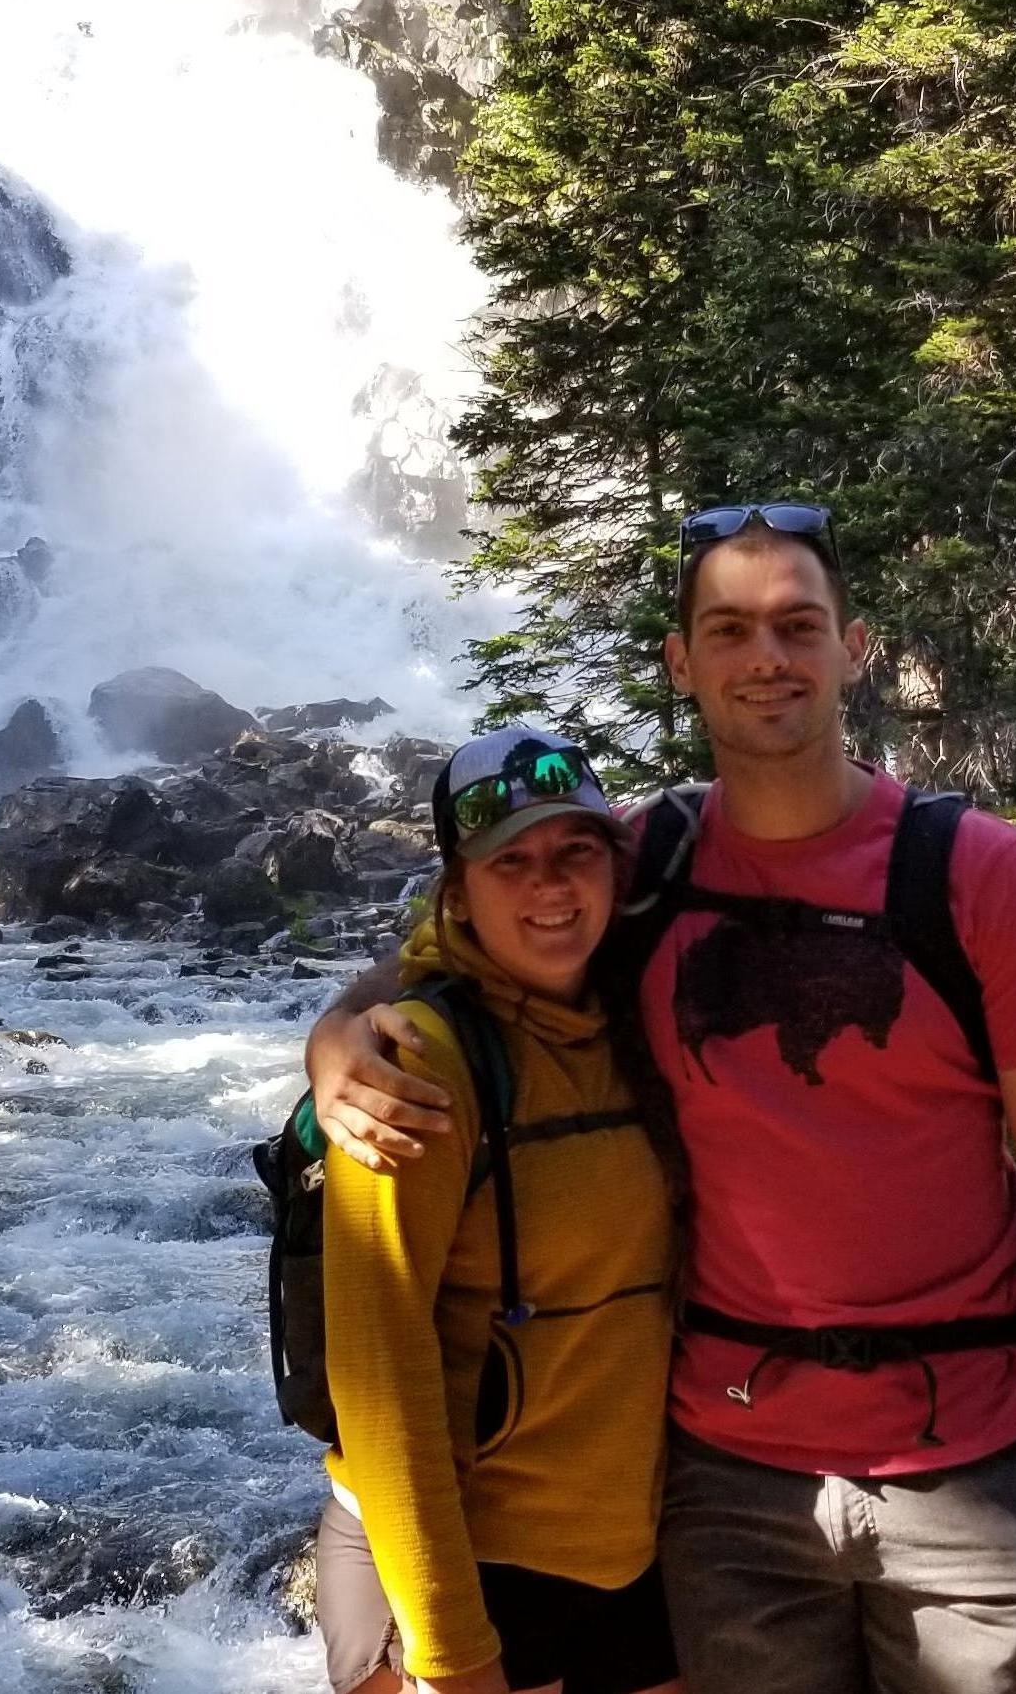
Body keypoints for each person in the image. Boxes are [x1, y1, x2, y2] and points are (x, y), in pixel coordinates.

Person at [309, 505, 1016, 1694]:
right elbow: (474, 938)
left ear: (855, 648)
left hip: (974, 1474)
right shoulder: (650, 857)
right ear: (681, 661)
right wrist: (334, 1036)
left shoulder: (979, 874)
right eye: (731, 628)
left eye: (798, 625)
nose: (768, 657)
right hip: (729, 1475)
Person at [313, 726, 684, 1694]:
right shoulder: (416, 1067)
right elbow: (377, 1367)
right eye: (508, 861)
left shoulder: (644, 1014)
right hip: (471, 1553)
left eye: (574, 852)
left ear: (616, 863)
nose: (549, 887)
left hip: (632, 1542)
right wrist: (448, 1648)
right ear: (458, 891)